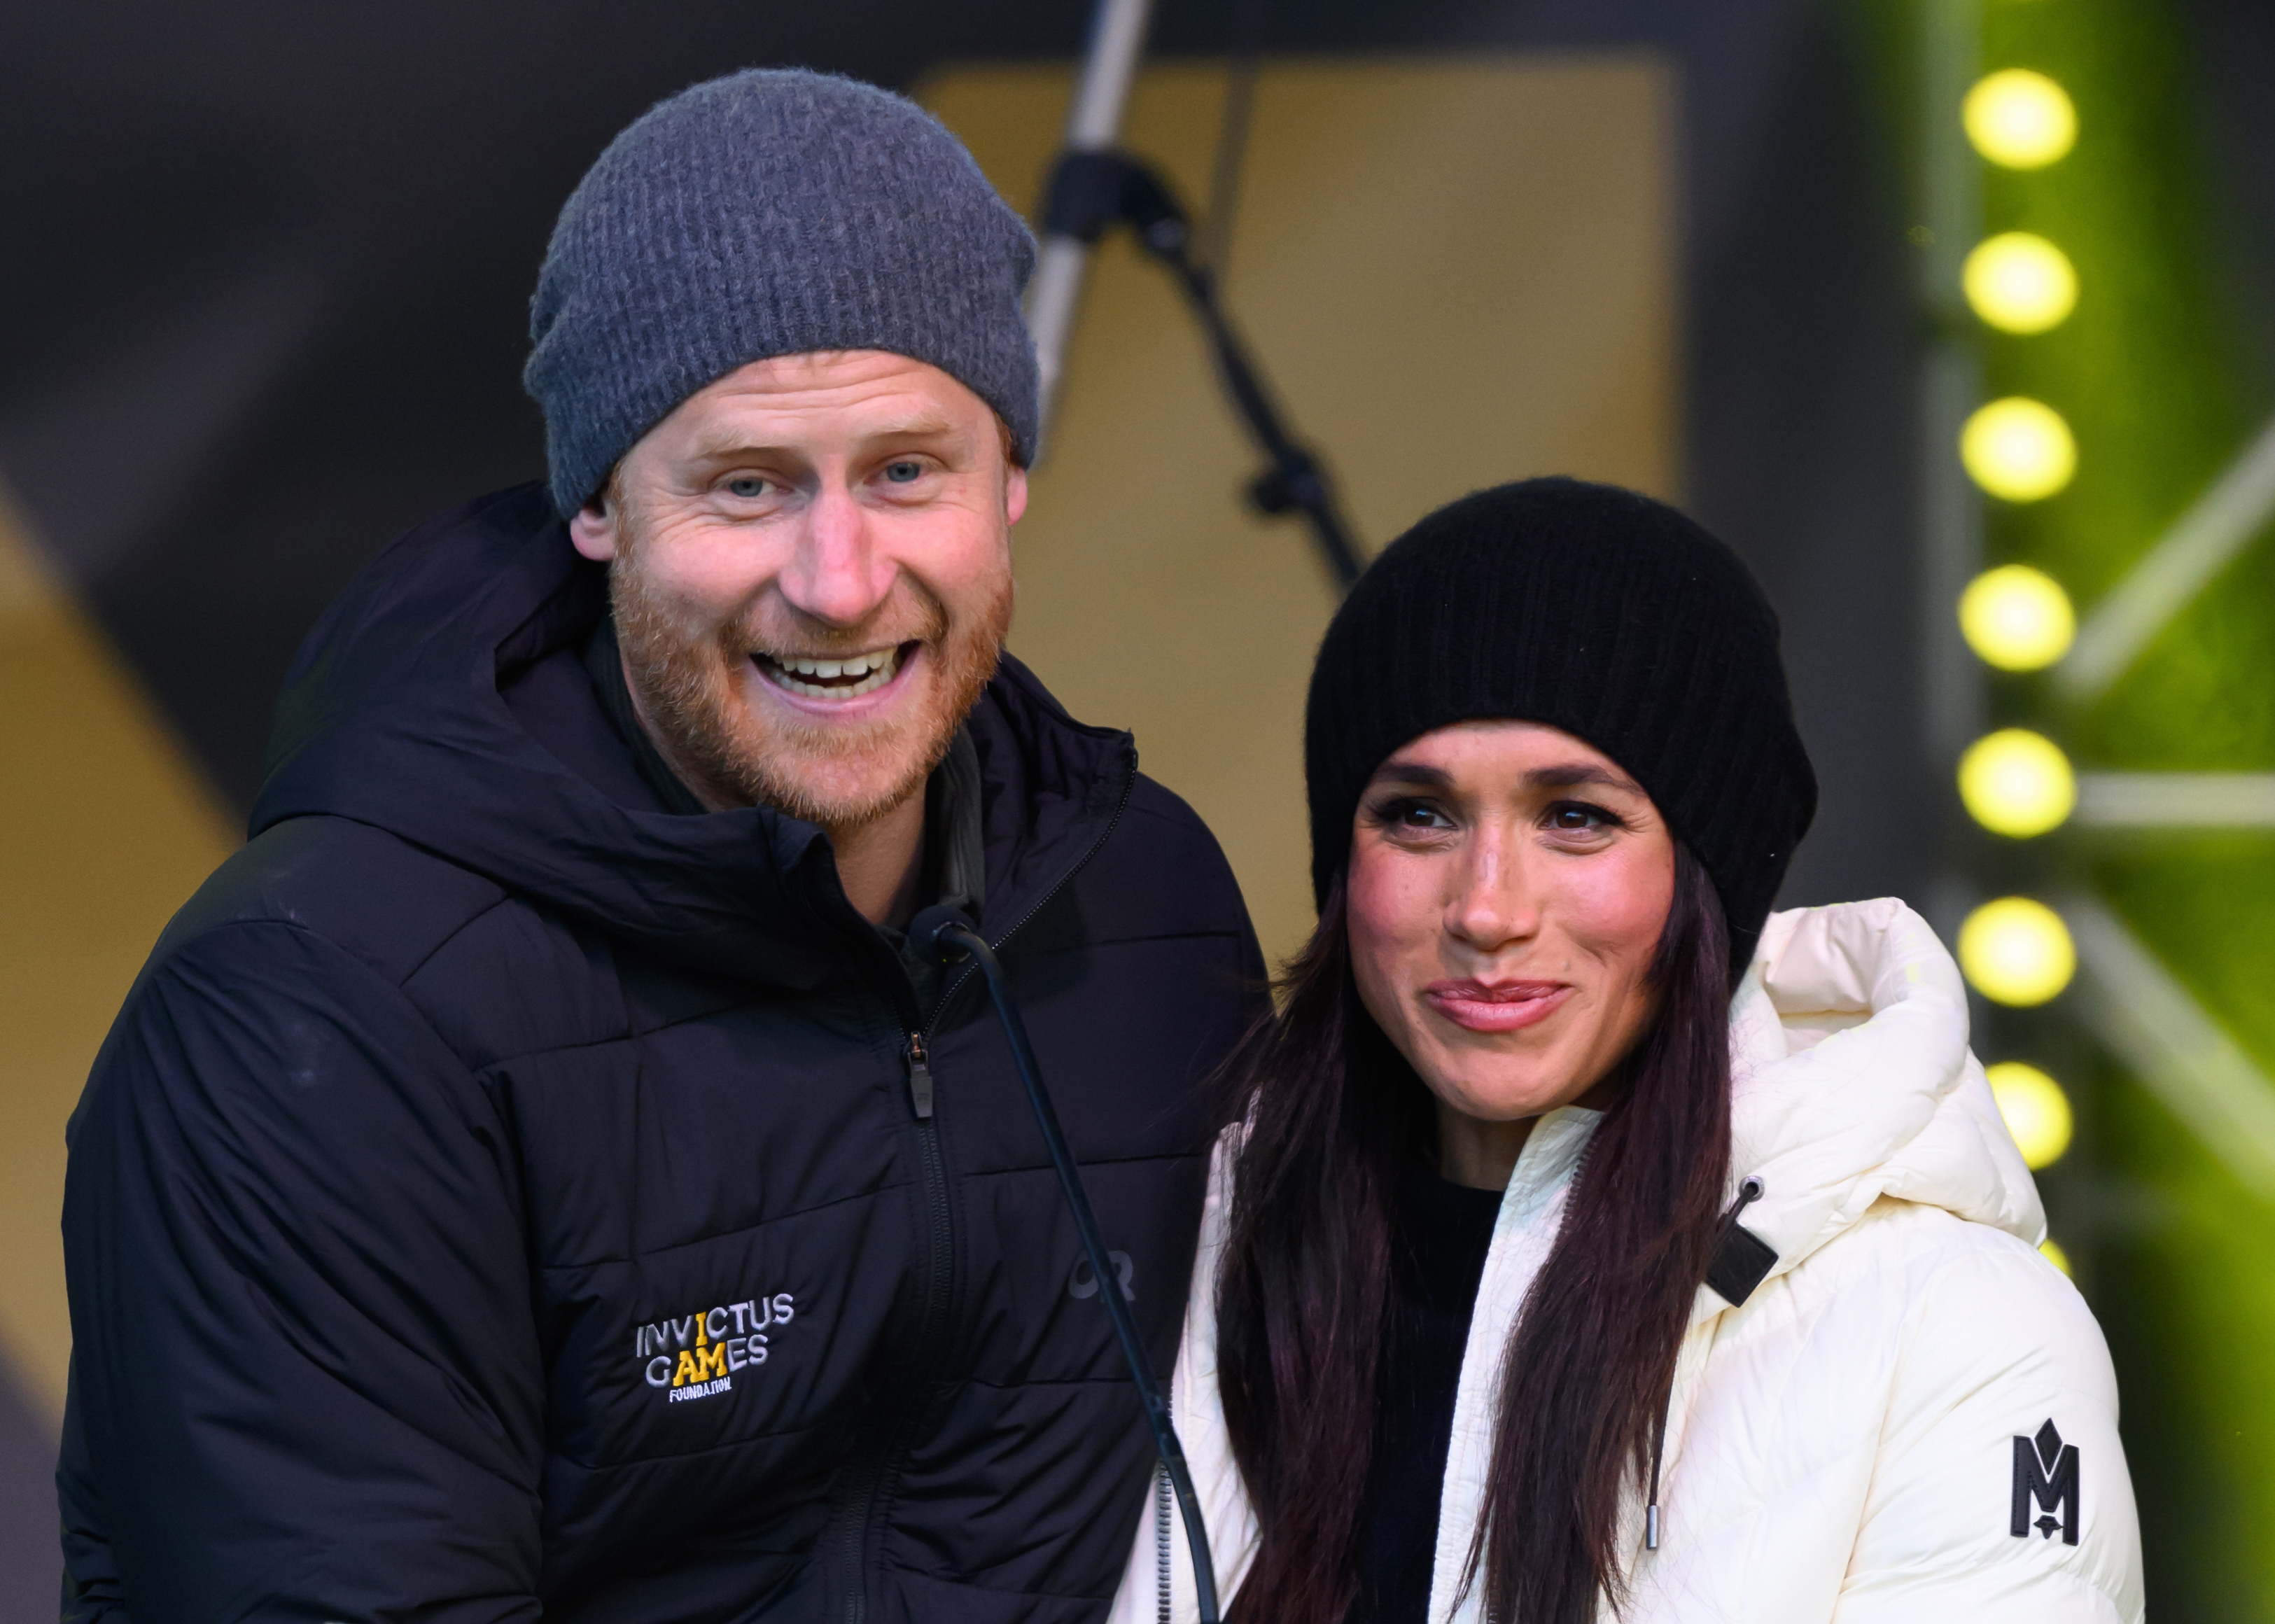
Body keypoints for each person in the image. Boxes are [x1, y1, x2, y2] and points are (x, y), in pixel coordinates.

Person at [59, 69, 1261, 1620]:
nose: (838, 579)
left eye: (907, 470)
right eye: (747, 484)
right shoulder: (316, 1005)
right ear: (598, 509)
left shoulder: (1145, 904)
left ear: (1010, 479)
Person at [1110, 479, 2143, 1624]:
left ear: (1711, 881)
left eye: (1576, 817)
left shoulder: (1943, 1322)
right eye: (1417, 813)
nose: (1487, 908)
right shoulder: (1188, 1249)